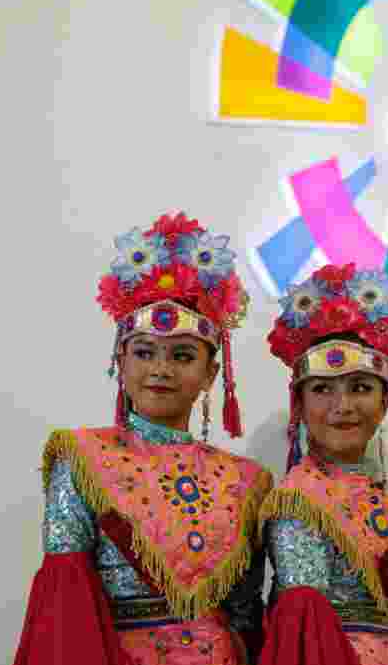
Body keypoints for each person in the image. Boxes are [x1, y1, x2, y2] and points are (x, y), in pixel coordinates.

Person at [14, 212, 272, 665]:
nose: (160, 370)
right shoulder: (82, 459)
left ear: (211, 373)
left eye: (182, 356)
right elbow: (66, 608)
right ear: (121, 361)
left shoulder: (247, 481)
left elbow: (245, 614)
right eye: (145, 352)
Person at [258, 263, 388, 665]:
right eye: (322, 389)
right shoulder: (299, 501)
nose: (343, 406)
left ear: (384, 403)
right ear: (299, 405)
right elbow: (306, 639)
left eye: (360, 387)